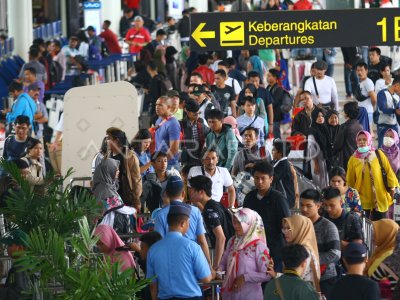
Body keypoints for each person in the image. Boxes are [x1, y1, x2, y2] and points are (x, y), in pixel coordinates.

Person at [147, 201, 212, 300]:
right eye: (188, 222)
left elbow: (152, 285)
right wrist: (213, 273)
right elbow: (206, 279)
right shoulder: (193, 247)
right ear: (183, 223)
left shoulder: (153, 249)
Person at [243, 161, 290, 272]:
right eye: (256, 178)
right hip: (252, 247)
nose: (259, 182)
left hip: (274, 250)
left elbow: (287, 225)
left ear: (271, 179)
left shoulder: (278, 199)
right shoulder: (249, 197)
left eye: (263, 178)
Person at [218, 208, 271, 300]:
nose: (236, 226)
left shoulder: (258, 246)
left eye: (239, 223)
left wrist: (245, 277)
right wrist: (218, 271)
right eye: (234, 222)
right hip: (230, 295)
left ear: (250, 224)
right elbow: (223, 262)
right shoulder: (232, 241)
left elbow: (267, 274)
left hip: (250, 296)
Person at [347, 130, 398, 220]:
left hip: (380, 198)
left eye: (364, 139)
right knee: (366, 228)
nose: (361, 142)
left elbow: (388, 171)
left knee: (381, 226)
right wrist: (351, 199)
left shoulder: (379, 154)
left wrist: (392, 188)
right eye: (359, 140)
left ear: (369, 140)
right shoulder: (353, 159)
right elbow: (350, 180)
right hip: (362, 200)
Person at [300, 189, 341, 299]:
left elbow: (335, 254)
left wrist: (311, 260)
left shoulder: (328, 226)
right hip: (302, 278)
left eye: (309, 206)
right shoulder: (298, 224)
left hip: (325, 279)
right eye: (301, 205)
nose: (304, 209)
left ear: (318, 206)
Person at [189, 175, 235, 270]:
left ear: (201, 192)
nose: (190, 193)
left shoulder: (210, 210)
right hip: (230, 251)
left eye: (192, 190)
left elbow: (221, 237)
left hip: (226, 253)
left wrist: (216, 265)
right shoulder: (216, 204)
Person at [92, 159, 136, 234]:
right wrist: (133, 210)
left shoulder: (103, 186)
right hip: (106, 228)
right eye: (116, 170)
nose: (118, 172)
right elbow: (119, 207)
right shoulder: (105, 189)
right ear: (108, 171)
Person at [105, 127, 142, 211]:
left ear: (116, 140)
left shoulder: (130, 157)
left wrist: (136, 200)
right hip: (110, 199)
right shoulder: (107, 156)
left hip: (126, 199)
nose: (106, 141)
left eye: (108, 138)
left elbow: (136, 180)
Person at [282, 215, 321, 289]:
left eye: (289, 228)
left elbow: (294, 277)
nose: (285, 232)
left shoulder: (303, 251)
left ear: (299, 229)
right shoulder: (300, 248)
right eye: (284, 228)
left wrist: (276, 275)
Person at [368, 219, 400, 298]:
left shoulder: (390, 259)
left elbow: (371, 281)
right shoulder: (382, 252)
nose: (373, 236)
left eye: (377, 232)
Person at [0, 230, 33, 299]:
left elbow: (21, 293)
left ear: (20, 248)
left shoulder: (21, 266)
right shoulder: (27, 262)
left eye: (10, 245)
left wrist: (2, 291)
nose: (7, 248)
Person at [333, 101, 363, 170]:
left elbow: (338, 145)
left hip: (346, 159)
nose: (343, 112)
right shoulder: (360, 126)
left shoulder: (344, 127)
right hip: (358, 158)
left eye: (344, 110)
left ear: (347, 113)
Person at [179, 99, 210, 166]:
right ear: (186, 111)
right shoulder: (180, 125)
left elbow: (209, 134)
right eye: (195, 114)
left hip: (200, 158)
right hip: (186, 160)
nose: (197, 115)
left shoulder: (200, 122)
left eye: (199, 113)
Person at [154, 96, 181, 170]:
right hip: (159, 163)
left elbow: (174, 149)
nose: (157, 107)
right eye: (156, 105)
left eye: (160, 105)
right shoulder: (159, 120)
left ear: (168, 107)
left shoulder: (173, 123)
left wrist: (162, 163)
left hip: (169, 166)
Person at [308, 107, 330, 188]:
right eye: (318, 116)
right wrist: (315, 163)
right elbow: (311, 148)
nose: (321, 118)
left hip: (324, 158)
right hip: (317, 159)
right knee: (318, 181)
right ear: (314, 118)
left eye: (322, 116)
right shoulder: (312, 130)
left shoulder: (324, 128)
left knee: (325, 180)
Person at [375, 76, 400, 148]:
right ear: (397, 85)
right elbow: (381, 109)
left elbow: (397, 112)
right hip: (383, 126)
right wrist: (394, 111)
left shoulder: (397, 97)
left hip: (394, 125)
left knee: (396, 149)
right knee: (382, 149)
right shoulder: (382, 93)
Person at [271, 139, 297, 208]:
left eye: (274, 150)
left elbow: (273, 178)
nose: (272, 151)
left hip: (285, 198)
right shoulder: (277, 162)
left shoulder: (283, 164)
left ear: (280, 153)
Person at [355, 62, 377, 128]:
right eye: (358, 70)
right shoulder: (361, 82)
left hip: (367, 112)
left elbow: (374, 99)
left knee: (367, 133)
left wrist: (371, 108)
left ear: (366, 71)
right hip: (362, 111)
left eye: (362, 70)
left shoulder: (368, 82)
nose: (360, 72)